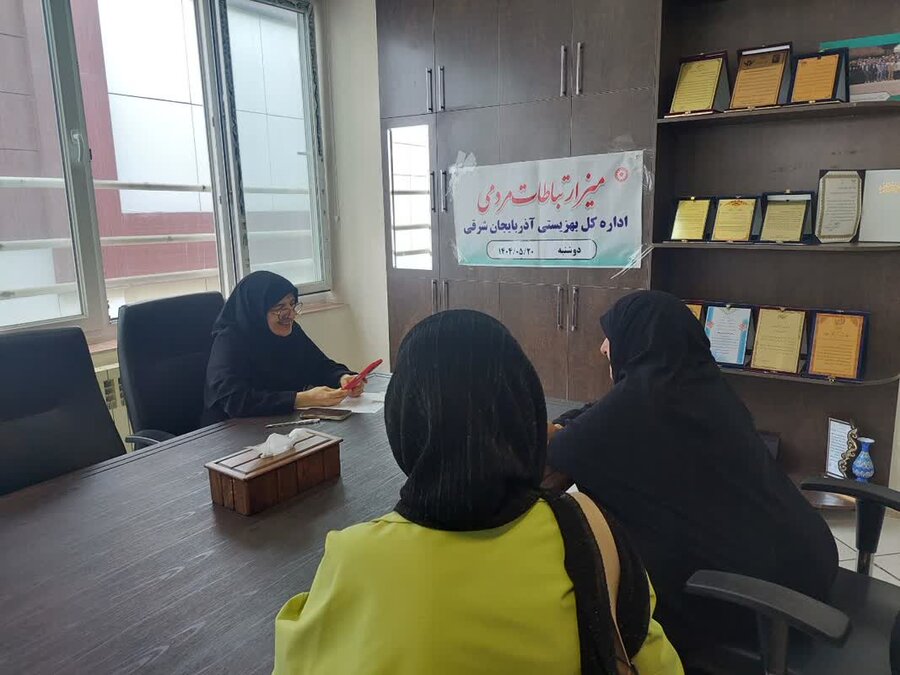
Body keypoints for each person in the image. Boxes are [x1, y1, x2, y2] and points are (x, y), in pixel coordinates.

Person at [273, 310, 683, 675]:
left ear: (404, 420)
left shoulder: (355, 559)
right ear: (525, 408)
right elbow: (655, 661)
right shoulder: (592, 534)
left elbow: (297, 658)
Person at [544, 290, 838, 653]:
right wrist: (582, 419)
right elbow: (602, 414)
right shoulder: (704, 388)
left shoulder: (637, 405)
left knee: (594, 566)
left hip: (753, 606)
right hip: (810, 568)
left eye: (612, 335)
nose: (604, 347)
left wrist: (566, 426)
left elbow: (561, 451)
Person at [202, 271, 363, 424]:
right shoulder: (229, 340)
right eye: (280, 308)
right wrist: (300, 399)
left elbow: (319, 365)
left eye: (292, 305)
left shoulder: (292, 331)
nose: (291, 315)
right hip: (229, 432)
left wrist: (342, 378)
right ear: (257, 309)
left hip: (280, 422)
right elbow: (234, 400)